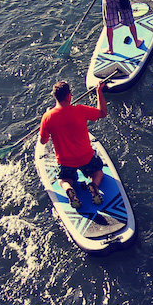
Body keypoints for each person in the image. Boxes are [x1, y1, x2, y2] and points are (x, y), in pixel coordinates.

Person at [39, 79, 108, 209]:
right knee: (97, 172)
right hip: (86, 158)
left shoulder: (47, 117)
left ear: (55, 97)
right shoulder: (80, 110)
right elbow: (103, 113)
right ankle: (94, 185)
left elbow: (43, 141)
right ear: (69, 96)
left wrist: (44, 129)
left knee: (63, 179)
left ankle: (68, 188)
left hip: (66, 162)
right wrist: (99, 91)